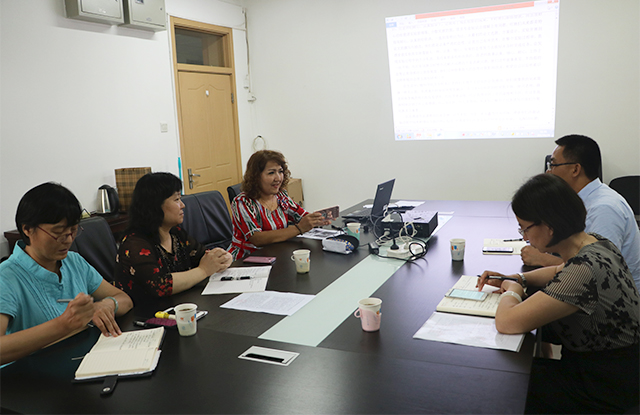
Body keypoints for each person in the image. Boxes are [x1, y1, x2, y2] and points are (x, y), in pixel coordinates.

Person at [478, 174, 639, 414]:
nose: (524, 237)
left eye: (525, 228)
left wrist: (512, 291)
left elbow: (506, 322)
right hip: (621, 371)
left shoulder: (583, 272)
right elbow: (558, 270)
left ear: (549, 226)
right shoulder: (597, 243)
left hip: (602, 387)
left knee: (503, 387)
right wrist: (518, 278)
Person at [0, 183, 133, 365]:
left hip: (80, 361)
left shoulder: (73, 261)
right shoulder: (6, 276)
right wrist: (64, 324)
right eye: (58, 232)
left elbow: (124, 299)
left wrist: (106, 305)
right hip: (29, 375)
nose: (69, 240)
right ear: (27, 229)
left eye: (73, 230)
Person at [521, 134, 640, 291]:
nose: (549, 172)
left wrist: (544, 259)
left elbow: (599, 271)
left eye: (554, 165)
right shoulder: (578, 200)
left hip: (618, 297)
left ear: (575, 169)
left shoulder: (604, 208)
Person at [113, 172, 232, 304]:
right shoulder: (134, 244)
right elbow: (159, 286)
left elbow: (203, 256)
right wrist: (203, 270)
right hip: (146, 313)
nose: (183, 205)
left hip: (180, 304)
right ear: (155, 206)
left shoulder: (176, 234)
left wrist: (222, 258)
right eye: (176, 200)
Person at [230, 150, 332, 259]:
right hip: (246, 259)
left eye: (280, 171)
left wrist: (317, 219)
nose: (278, 178)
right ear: (256, 177)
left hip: (276, 254)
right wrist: (299, 228)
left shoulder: (281, 196)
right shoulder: (242, 202)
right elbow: (256, 239)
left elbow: (301, 216)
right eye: (271, 173)